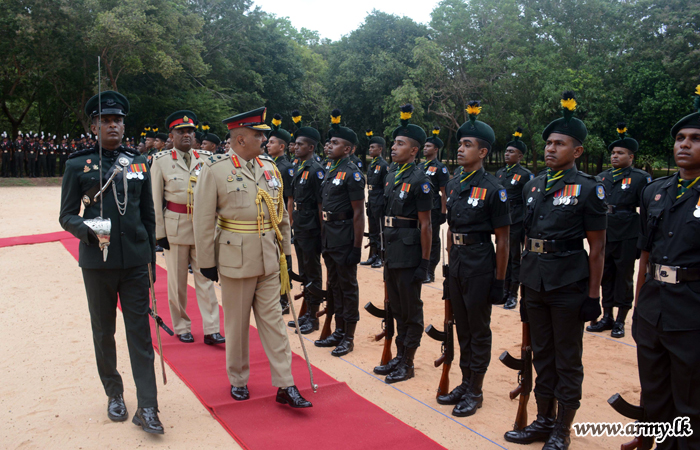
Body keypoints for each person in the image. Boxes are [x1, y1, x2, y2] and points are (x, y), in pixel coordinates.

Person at [504, 92, 606, 450]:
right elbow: (525, 239)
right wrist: (518, 285)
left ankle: (563, 427)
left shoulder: (589, 189)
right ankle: (543, 419)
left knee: (566, 358)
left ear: (576, 151)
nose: (550, 149)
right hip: (534, 282)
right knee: (540, 354)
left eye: (559, 144)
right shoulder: (532, 186)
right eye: (548, 143)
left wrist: (593, 296)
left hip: (567, 284)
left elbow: (597, 248)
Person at [58, 90, 163, 434]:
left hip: (134, 263)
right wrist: (89, 228)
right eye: (105, 120)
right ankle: (114, 392)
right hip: (97, 262)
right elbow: (66, 216)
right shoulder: (78, 164)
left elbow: (148, 216)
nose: (113, 125)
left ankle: (148, 406)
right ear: (94, 126)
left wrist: (150, 263)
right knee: (104, 332)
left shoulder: (138, 162)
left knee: (140, 334)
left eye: (117, 120)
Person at [193, 106, 312, 408]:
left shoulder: (270, 167)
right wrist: (206, 262)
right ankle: (238, 379)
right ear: (241, 138)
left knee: (273, 321)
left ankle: (285, 383)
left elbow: (281, 216)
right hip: (235, 257)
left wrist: (286, 255)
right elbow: (204, 219)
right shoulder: (216, 169)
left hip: (269, 259)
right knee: (236, 324)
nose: (264, 138)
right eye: (259, 134)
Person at [634, 86, 700, 450]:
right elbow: (645, 252)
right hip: (654, 307)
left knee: (690, 404)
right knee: (654, 394)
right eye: (679, 138)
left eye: (694, 139)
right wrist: (640, 304)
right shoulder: (655, 191)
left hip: (692, 312)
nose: (684, 144)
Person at [436, 101, 510, 417]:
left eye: (469, 145)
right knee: (461, 327)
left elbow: (504, 239)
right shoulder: (453, 185)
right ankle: (465, 383)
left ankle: (476, 390)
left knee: (478, 330)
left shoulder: (494, 189)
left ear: (483, 153)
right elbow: (452, 228)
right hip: (458, 263)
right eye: (461, 143)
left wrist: (500, 281)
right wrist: (449, 266)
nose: (462, 149)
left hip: (481, 262)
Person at [150, 110, 224, 345]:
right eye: (181, 131)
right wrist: (159, 233)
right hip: (175, 227)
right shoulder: (160, 161)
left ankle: (212, 328)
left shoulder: (205, 158)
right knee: (178, 282)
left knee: (206, 279)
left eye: (190, 131)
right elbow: (154, 200)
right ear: (171, 135)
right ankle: (182, 326)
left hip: (202, 228)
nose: (186, 135)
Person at [372, 105, 432, 383]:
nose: (394, 148)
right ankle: (398, 356)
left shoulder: (420, 179)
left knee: (410, 309)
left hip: (409, 252)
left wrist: (425, 262)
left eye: (400, 144)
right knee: (395, 306)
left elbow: (426, 224)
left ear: (414, 151)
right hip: (392, 248)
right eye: (394, 143)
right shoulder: (392, 175)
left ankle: (407, 361)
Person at [587, 123, 650, 338]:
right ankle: (607, 316)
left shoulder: (641, 178)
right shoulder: (602, 177)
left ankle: (621, 320)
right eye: (613, 153)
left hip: (627, 232)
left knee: (624, 276)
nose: (615, 156)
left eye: (620, 153)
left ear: (631, 157)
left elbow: (648, 210)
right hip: (606, 231)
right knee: (606, 275)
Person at [313, 109, 365, 356]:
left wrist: (356, 248)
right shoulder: (331, 169)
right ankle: (338, 330)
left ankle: (349, 336)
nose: (328, 145)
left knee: (347, 287)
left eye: (335, 143)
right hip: (330, 237)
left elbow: (358, 213)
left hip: (344, 238)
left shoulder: (352, 172)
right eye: (329, 141)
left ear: (348, 149)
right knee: (334, 285)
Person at [287, 113, 325, 332]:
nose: (296, 147)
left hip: (311, 227)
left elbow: (321, 206)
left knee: (312, 271)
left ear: (311, 147)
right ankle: (307, 312)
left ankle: (313, 316)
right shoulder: (300, 167)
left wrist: (322, 233)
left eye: (300, 145)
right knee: (304, 270)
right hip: (301, 225)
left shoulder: (317, 170)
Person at [495, 127, 534, 309]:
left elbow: (529, 201)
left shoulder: (526, 175)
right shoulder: (500, 173)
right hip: (502, 220)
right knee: (502, 255)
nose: (507, 154)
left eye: (511, 152)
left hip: (517, 220)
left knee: (515, 258)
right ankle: (503, 290)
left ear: (520, 156)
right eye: (506, 151)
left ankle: (513, 293)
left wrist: (527, 224)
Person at [266, 113, 295, 314]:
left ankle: (284, 299)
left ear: (282, 147)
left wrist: (288, 225)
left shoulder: (286, 167)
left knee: (283, 261)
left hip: (281, 219)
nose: (267, 145)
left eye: (272, 142)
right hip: (270, 219)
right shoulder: (268, 164)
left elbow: (290, 199)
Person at [418, 126, 450, 283]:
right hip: (419, 209)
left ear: (436, 149)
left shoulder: (440, 168)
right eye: (424, 146)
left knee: (433, 240)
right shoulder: (419, 166)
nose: (425, 148)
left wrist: (444, 212)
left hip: (434, 208)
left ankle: (430, 270)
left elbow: (444, 192)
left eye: (428, 146)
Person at [360, 129, 389, 268]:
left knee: (379, 229)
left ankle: (381, 257)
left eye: (373, 147)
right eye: (370, 147)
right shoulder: (372, 164)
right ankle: (372, 255)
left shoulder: (384, 165)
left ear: (380, 149)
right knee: (372, 229)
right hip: (371, 200)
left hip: (379, 200)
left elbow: (386, 186)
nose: (370, 149)